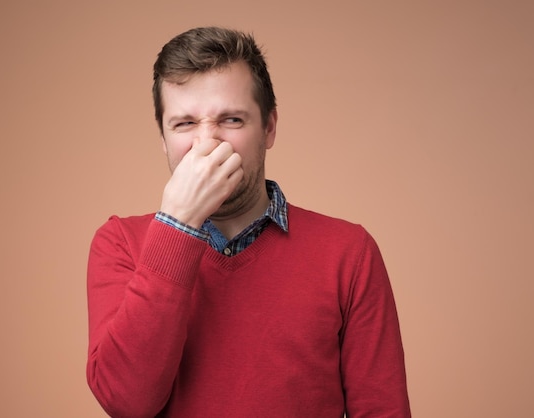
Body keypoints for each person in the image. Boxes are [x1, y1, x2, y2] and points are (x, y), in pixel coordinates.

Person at [86, 26, 411, 417]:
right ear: (163, 138)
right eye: (184, 124)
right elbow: (127, 403)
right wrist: (178, 225)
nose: (207, 144)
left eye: (233, 120)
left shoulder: (349, 252)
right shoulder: (120, 242)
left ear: (269, 128)